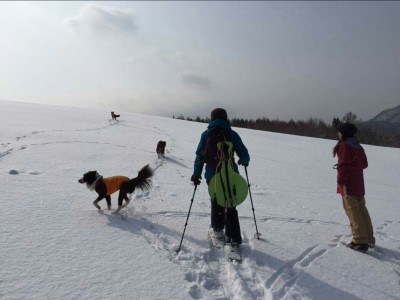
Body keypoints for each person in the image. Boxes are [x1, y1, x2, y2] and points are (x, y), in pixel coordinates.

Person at [191, 108, 250, 252]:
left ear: (212, 119)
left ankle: (217, 231)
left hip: (213, 176)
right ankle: (233, 239)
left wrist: (196, 174)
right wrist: (244, 161)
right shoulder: (232, 134)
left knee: (217, 200)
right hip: (231, 175)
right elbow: (244, 152)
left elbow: (199, 156)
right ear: (226, 118)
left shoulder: (206, 134)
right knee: (230, 202)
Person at [333, 122, 375, 252]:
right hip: (359, 184)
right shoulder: (359, 147)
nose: (338, 133)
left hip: (348, 185)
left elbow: (343, 167)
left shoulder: (344, 146)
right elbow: (364, 164)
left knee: (353, 211)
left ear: (343, 133)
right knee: (361, 209)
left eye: (339, 131)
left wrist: (341, 182)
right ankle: (368, 238)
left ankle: (360, 241)